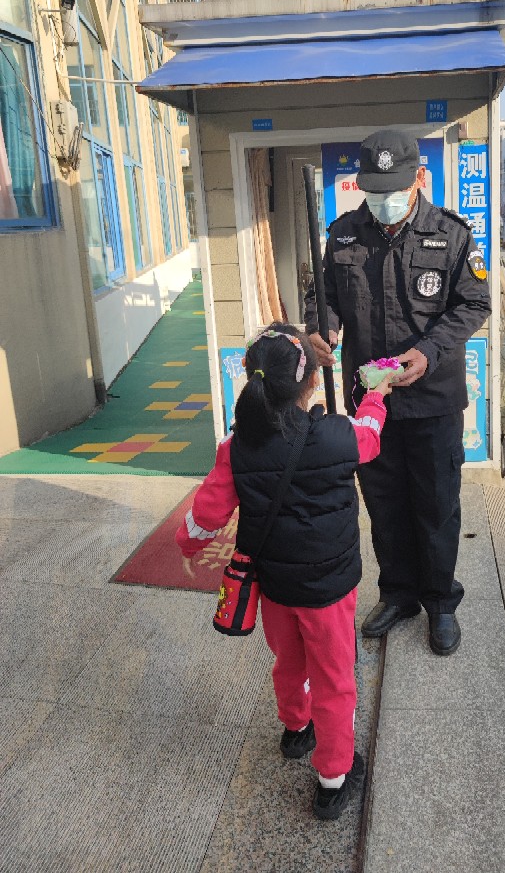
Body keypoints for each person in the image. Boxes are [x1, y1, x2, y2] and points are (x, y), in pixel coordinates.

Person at [175, 323, 395, 821]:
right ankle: (333, 777)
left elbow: (204, 517)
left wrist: (186, 546)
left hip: (273, 586)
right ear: (313, 383)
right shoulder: (336, 436)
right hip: (330, 589)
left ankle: (296, 728)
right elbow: (370, 436)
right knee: (334, 678)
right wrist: (377, 395)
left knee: (288, 660)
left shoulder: (236, 447)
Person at [304, 129, 492, 657]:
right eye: (374, 190)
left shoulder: (451, 235)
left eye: (393, 189)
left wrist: (429, 351)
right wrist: (322, 328)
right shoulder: (344, 235)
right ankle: (398, 594)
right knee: (383, 503)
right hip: (371, 403)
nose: (383, 200)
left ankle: (440, 602)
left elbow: (474, 303)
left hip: (432, 400)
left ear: (418, 180)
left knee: (436, 504)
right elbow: (325, 296)